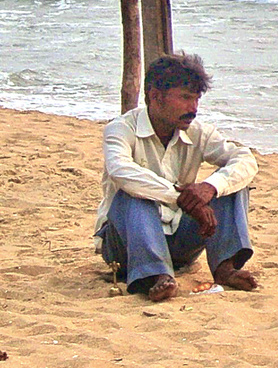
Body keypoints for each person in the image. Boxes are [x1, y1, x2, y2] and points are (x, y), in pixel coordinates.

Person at [95, 53, 259, 302]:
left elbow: (245, 159)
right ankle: (155, 274)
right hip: (125, 245)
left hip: (180, 241)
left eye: (196, 99)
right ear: (155, 96)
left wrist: (210, 188)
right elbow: (122, 171)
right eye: (184, 98)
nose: (193, 108)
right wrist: (182, 197)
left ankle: (225, 267)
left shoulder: (198, 133)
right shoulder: (121, 129)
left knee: (232, 185)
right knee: (133, 194)